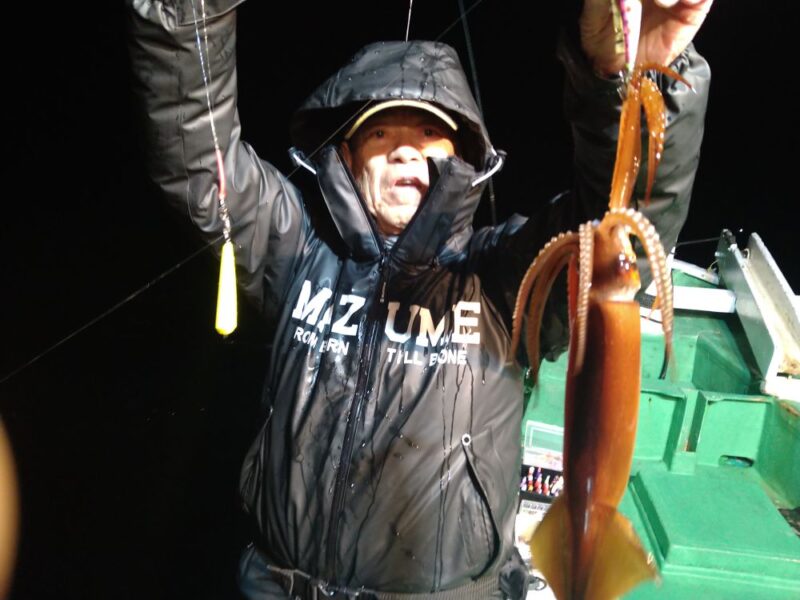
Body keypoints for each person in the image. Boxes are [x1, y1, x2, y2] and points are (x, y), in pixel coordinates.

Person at [127, 1, 711, 598]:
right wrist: (187, 13)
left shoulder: (499, 278)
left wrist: (629, 80)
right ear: (347, 158)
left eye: (430, 134)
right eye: (380, 133)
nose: (405, 151)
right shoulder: (295, 252)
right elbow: (197, 160)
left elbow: (623, 227)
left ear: (462, 159)